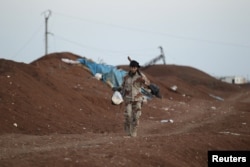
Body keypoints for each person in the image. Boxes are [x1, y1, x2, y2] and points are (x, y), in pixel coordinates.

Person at [121, 60, 150, 137]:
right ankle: (128, 133)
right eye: (132, 67)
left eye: (134, 67)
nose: (133, 69)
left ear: (137, 68)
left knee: (136, 116)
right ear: (130, 67)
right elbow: (122, 86)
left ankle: (133, 132)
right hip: (128, 99)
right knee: (128, 115)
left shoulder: (140, 76)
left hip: (137, 99)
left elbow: (147, 84)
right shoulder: (126, 76)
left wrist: (143, 78)